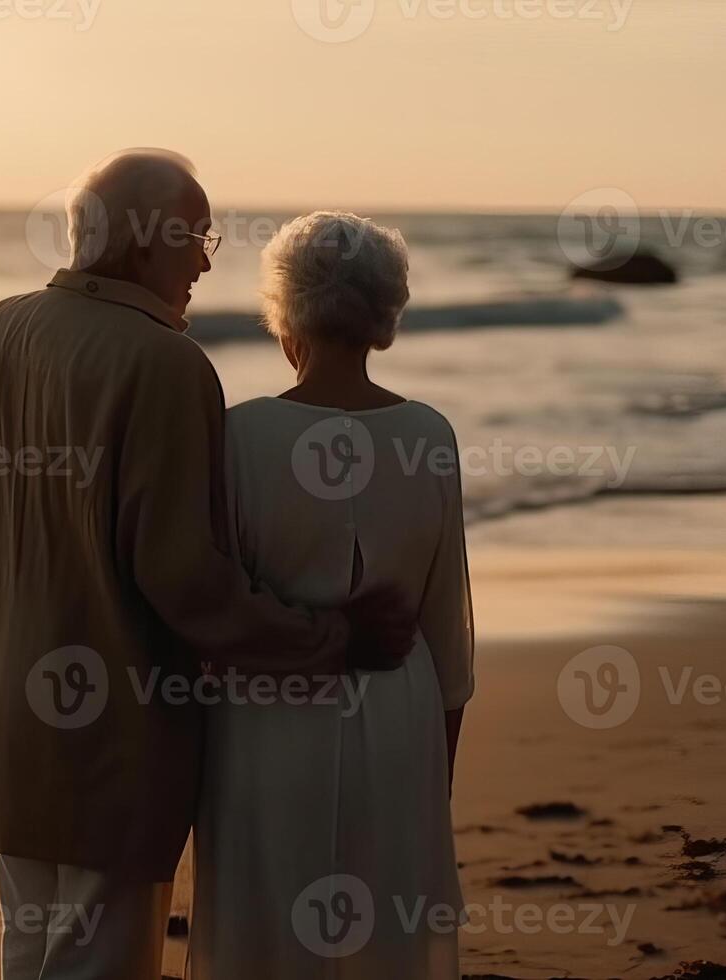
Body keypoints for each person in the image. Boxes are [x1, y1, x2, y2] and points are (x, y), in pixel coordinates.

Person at [0, 150, 416, 980]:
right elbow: (184, 578)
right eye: (195, 236)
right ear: (146, 241)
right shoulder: (162, 362)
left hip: (0, 707)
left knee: (32, 950)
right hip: (111, 726)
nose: (203, 259)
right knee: (99, 963)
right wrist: (325, 640)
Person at [191, 211, 474, 978]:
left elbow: (216, 604)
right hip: (399, 709)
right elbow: (446, 629)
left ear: (286, 315)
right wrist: (433, 775)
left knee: (263, 928)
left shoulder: (238, 435)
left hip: (268, 712)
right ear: (385, 317)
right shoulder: (431, 435)